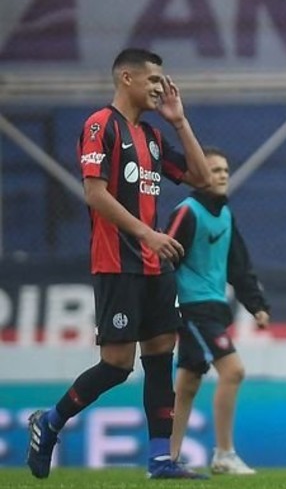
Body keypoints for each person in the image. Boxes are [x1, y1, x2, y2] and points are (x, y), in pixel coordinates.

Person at [27, 48, 214, 480]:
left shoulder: (151, 136)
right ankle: (49, 422)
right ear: (127, 78)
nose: (160, 88)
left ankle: (161, 461)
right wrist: (147, 233)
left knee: (160, 359)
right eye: (153, 80)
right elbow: (95, 194)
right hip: (117, 262)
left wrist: (179, 122)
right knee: (116, 365)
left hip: (155, 264)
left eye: (163, 81)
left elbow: (202, 178)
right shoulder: (101, 125)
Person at [164, 147, 270, 475]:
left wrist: (256, 305)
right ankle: (224, 454)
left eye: (225, 169)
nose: (223, 175)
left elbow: (239, 265)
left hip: (213, 307)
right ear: (198, 175)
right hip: (192, 308)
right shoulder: (187, 212)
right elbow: (164, 260)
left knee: (188, 382)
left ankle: (166, 459)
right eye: (214, 170)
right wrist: (164, 306)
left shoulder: (225, 214)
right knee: (233, 370)